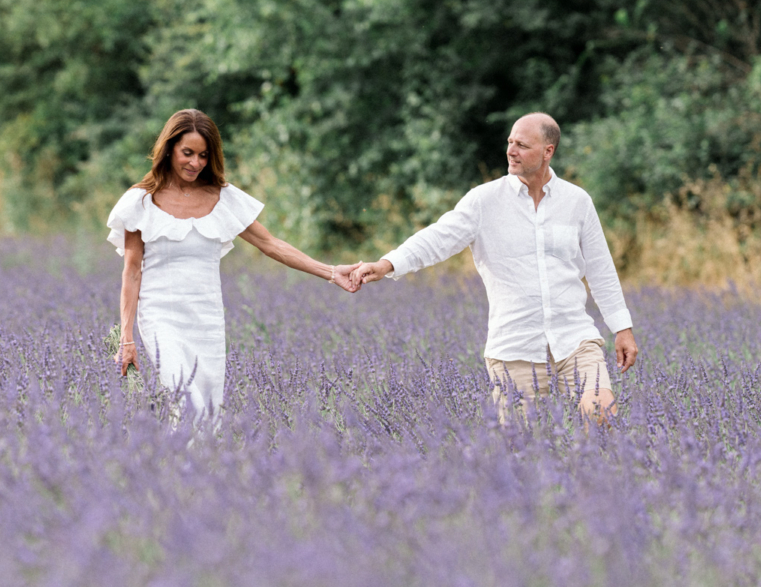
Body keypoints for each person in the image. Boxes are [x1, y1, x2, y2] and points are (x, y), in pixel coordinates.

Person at [352, 113, 637, 422]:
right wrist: (387, 264)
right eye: (510, 143)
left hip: (575, 339)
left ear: (548, 151)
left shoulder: (577, 201)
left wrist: (622, 328)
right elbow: (438, 238)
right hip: (514, 348)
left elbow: (600, 268)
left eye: (522, 145)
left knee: (601, 414)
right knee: (522, 449)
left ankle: (589, 468)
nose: (511, 151)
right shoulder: (484, 201)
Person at [109, 109, 359, 418]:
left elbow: (271, 244)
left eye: (203, 155)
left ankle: (187, 465)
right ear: (169, 148)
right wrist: (126, 338)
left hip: (206, 319)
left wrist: (331, 272)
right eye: (187, 153)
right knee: (187, 403)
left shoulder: (223, 198)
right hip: (161, 316)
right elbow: (132, 272)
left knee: (209, 412)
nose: (195, 163)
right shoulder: (141, 201)